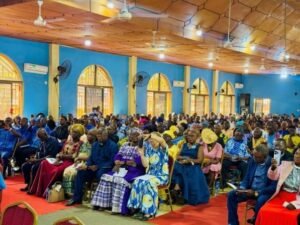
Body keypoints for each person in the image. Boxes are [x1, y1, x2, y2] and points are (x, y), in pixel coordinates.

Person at [91, 128, 145, 215]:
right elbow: (118, 155)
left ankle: (119, 208)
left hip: (135, 170)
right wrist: (116, 160)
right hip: (121, 168)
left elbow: (137, 161)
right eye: (132, 134)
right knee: (105, 177)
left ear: (140, 136)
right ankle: (103, 204)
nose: (133, 136)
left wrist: (124, 162)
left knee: (121, 181)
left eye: (136, 135)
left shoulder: (142, 147)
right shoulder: (125, 144)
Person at [66, 128, 118, 206]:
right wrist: (86, 166)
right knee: (81, 173)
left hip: (104, 168)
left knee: (100, 174)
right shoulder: (95, 145)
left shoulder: (113, 146)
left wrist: (98, 166)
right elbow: (91, 158)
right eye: (98, 136)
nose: (99, 138)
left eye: (101, 136)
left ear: (106, 135)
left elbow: (111, 162)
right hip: (93, 168)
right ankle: (76, 198)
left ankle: (99, 202)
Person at [29, 124, 84, 197]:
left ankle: (48, 192)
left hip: (70, 162)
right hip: (61, 160)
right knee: (44, 163)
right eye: (72, 132)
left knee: (56, 170)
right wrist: (57, 159)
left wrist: (61, 156)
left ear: (79, 134)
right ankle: (38, 189)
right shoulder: (67, 142)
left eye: (75, 132)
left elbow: (74, 156)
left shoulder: (80, 143)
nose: (72, 134)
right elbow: (61, 151)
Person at [227, 144, 277, 225]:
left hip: (263, 192)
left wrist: (256, 192)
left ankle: (256, 221)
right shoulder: (252, 161)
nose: (255, 159)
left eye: (258, 157)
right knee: (232, 195)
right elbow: (247, 177)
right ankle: (233, 223)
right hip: (250, 190)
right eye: (254, 156)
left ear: (265, 157)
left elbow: (273, 187)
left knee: (260, 201)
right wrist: (242, 188)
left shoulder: (272, 165)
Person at [127, 132, 169, 221]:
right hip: (150, 174)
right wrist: (142, 154)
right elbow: (145, 165)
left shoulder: (163, 148)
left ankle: (149, 212)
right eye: (150, 141)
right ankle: (137, 208)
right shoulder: (149, 148)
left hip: (161, 176)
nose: (152, 141)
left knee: (149, 183)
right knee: (137, 181)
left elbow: (162, 141)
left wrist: (150, 135)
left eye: (154, 140)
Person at [255, 148, 300, 225]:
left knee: (291, 216)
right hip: (281, 196)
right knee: (264, 210)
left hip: (297, 198)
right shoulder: (286, 165)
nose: (297, 156)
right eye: (296, 153)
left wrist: (296, 205)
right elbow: (273, 177)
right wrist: (273, 167)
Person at [172, 129, 210, 205]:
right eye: (188, 136)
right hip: (182, 164)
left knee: (180, 171)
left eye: (192, 136)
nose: (190, 138)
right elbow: (177, 156)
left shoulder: (199, 147)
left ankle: (177, 190)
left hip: (193, 166)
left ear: (197, 137)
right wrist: (184, 158)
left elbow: (200, 160)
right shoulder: (184, 145)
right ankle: (177, 190)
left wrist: (189, 160)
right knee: (175, 165)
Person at [62, 129, 97, 196]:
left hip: (87, 163)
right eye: (88, 134)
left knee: (74, 172)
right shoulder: (84, 144)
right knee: (67, 170)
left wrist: (82, 159)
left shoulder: (95, 145)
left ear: (95, 136)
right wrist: (77, 160)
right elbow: (77, 154)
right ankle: (66, 192)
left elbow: (91, 157)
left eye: (91, 135)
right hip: (79, 161)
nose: (88, 136)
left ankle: (75, 192)